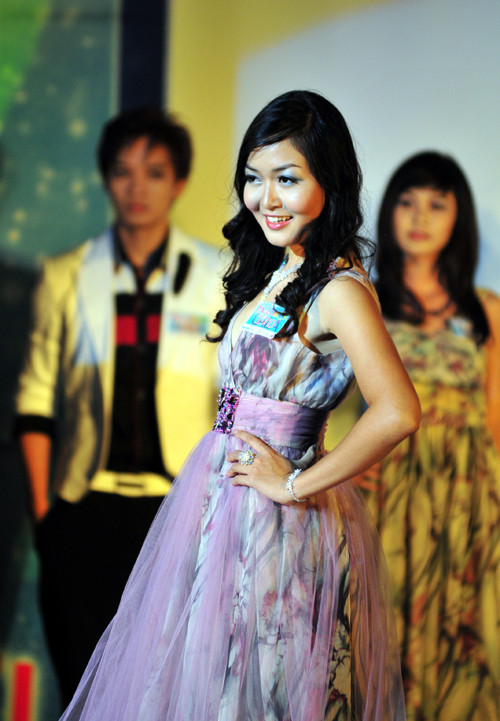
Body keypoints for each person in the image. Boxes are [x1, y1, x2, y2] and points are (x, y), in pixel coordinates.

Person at [59, 90, 420, 721]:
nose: (265, 198)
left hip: (277, 529)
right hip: (223, 509)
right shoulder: (281, 271)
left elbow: (398, 410)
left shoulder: (338, 288)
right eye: (254, 178)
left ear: (329, 181)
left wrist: (295, 483)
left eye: (287, 179)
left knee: (262, 693)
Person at [14, 107, 222, 706]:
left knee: (163, 690)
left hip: (177, 511)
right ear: (106, 178)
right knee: (82, 685)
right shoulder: (66, 274)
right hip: (83, 511)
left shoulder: (216, 276)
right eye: (123, 171)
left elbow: (229, 399)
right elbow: (35, 399)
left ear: (179, 182)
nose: (137, 187)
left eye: (154, 172)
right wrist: (46, 516)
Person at [356, 151, 500, 720]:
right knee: (381, 633)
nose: (420, 217)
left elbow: (494, 418)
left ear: (458, 217)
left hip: (469, 501)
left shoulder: (485, 311)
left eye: (437, 204)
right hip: (387, 494)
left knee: (468, 636)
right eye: (407, 202)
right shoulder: (364, 301)